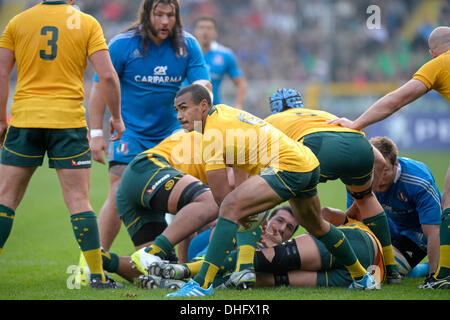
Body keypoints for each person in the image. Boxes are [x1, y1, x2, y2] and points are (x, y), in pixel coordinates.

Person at [166, 84, 378, 297]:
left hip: (288, 166)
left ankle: (201, 285)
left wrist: (240, 215)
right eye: (176, 110)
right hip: (307, 162)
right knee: (318, 227)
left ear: (203, 106)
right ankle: (362, 277)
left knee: (230, 206)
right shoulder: (223, 113)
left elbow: (222, 196)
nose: (179, 115)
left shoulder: (211, 132)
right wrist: (244, 210)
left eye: (184, 108)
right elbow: (240, 161)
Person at [0, 0, 125, 289]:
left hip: (25, 119)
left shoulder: (18, 22)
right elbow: (106, 75)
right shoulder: (86, 22)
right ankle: (97, 276)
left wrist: (1, 120)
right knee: (78, 200)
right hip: (67, 122)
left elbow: (2, 72)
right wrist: (116, 117)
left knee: (5, 199)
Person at [328, 26, 450, 289]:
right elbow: (355, 218)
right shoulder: (363, 175)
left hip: (412, 237)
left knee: (447, 199)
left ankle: (440, 276)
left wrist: (357, 124)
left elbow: (397, 100)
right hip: (388, 232)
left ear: (432, 53)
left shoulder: (439, 64)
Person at [88, 0, 211, 251]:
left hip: (171, 135)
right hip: (129, 132)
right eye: (158, 15)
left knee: (192, 191)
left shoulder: (188, 45)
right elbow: (101, 87)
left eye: (170, 15)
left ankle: (182, 265)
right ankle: (93, 263)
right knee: (119, 189)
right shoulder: (123, 44)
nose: (165, 21)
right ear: (146, 14)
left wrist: (202, 91)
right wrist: (97, 133)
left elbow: (203, 84)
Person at [264, 88, 401, 283]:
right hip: (358, 144)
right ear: (299, 104)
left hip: (316, 145)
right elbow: (379, 161)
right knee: (366, 198)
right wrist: (368, 191)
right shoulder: (321, 114)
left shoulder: (270, 121)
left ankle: (269, 252)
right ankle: (391, 269)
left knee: (303, 206)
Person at [77, 130, 219, 285]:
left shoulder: (213, 135)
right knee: (211, 202)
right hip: (149, 168)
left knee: (161, 269)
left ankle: (101, 260)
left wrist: (182, 272)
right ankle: (154, 250)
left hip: (136, 179)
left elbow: (188, 221)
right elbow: (229, 202)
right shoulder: (227, 145)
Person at [193, 16, 247, 109]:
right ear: (195, 31)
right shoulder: (186, 53)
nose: (205, 31)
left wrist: (239, 105)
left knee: (205, 124)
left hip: (213, 109)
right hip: (190, 111)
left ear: (215, 32)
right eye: (201, 27)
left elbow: (241, 83)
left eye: (209, 28)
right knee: (197, 124)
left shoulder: (225, 55)